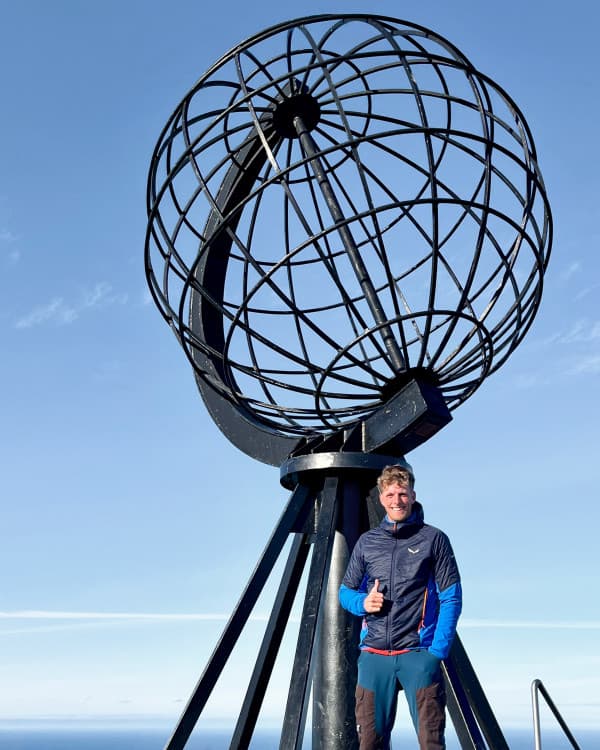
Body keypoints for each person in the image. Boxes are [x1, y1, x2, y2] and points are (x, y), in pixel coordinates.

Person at [339, 464, 462, 750]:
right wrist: (363, 603)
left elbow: (452, 597)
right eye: (391, 494)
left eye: (403, 493)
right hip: (373, 658)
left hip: (418, 655)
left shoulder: (434, 539)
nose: (397, 500)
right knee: (370, 743)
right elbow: (345, 592)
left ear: (413, 495)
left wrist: (436, 653)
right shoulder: (367, 543)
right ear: (382, 498)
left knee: (431, 743)